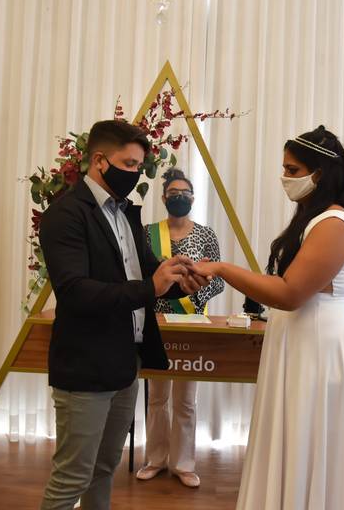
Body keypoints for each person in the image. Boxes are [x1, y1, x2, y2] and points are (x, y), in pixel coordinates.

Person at [191, 126, 344, 509]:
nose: (284, 178)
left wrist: (222, 268)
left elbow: (290, 293)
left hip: (320, 349)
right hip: (301, 342)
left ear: (319, 173)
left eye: (292, 170)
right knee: (294, 441)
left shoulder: (334, 224)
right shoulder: (313, 218)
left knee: (312, 444)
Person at [38, 119, 207, 510]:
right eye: (129, 164)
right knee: (72, 476)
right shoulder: (65, 215)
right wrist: (152, 287)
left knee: (105, 467)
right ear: (99, 160)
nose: (135, 173)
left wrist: (180, 280)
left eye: (138, 166)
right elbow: (75, 292)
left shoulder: (126, 214)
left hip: (125, 364)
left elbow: (145, 271)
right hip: (85, 367)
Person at [135, 168, 225, 488]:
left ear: (193, 198)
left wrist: (194, 290)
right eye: (173, 193)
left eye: (185, 193)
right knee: (157, 397)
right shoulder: (148, 233)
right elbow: (140, 276)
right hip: (157, 322)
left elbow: (219, 280)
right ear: (163, 198)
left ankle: (184, 464)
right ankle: (155, 459)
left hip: (192, 322)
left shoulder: (206, 235)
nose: (180, 198)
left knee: (186, 399)